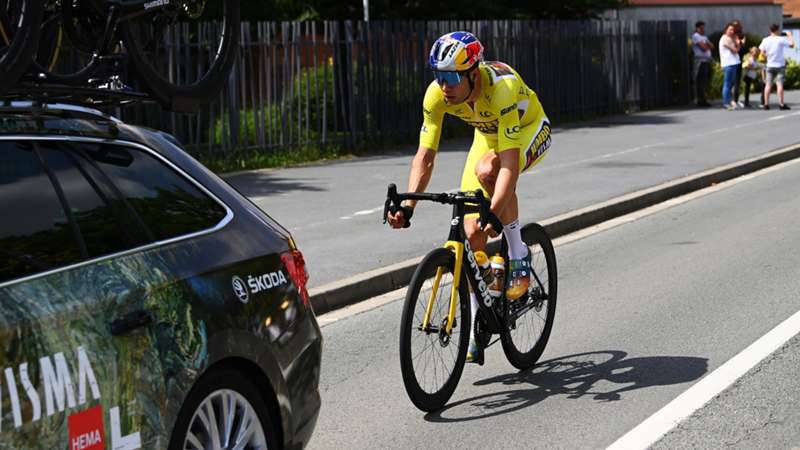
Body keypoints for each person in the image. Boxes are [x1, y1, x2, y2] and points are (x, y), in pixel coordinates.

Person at [386, 31, 552, 364]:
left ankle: (518, 255)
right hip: (488, 137)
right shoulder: (436, 95)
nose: (443, 84)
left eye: (450, 77)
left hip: (530, 128)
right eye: (438, 76)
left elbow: (508, 166)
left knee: (488, 171)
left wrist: (495, 210)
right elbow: (425, 156)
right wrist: (408, 205)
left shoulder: (500, 90)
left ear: (473, 74)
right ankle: (480, 314)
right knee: (472, 233)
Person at [759, 23, 796, 110]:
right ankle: (781, 104)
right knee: (779, 84)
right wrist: (790, 36)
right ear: (777, 30)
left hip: (769, 65)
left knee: (768, 85)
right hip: (780, 65)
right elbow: (792, 45)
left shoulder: (765, 40)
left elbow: (761, 52)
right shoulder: (780, 39)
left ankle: (766, 104)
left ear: (770, 30)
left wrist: (768, 55)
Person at [719, 23, 742, 110]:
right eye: (730, 30)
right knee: (727, 83)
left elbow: (737, 49)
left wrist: (737, 43)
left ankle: (730, 101)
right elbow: (735, 50)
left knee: (731, 84)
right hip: (729, 63)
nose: (732, 31)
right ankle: (726, 102)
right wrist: (737, 42)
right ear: (726, 30)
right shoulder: (725, 39)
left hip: (733, 63)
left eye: (733, 30)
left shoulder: (730, 38)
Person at [691, 21, 713, 107]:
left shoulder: (704, 37)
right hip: (700, 61)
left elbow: (712, 46)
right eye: (701, 28)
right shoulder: (696, 36)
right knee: (699, 81)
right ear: (697, 28)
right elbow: (703, 48)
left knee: (704, 81)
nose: (703, 29)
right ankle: (699, 100)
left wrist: (706, 45)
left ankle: (704, 99)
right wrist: (706, 45)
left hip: (706, 61)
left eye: (703, 27)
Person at [732, 20, 747, 107]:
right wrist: (741, 43)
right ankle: (732, 100)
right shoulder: (731, 37)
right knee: (733, 81)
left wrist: (742, 43)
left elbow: (742, 50)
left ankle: (735, 99)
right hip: (733, 61)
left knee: (737, 81)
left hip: (738, 60)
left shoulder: (741, 36)